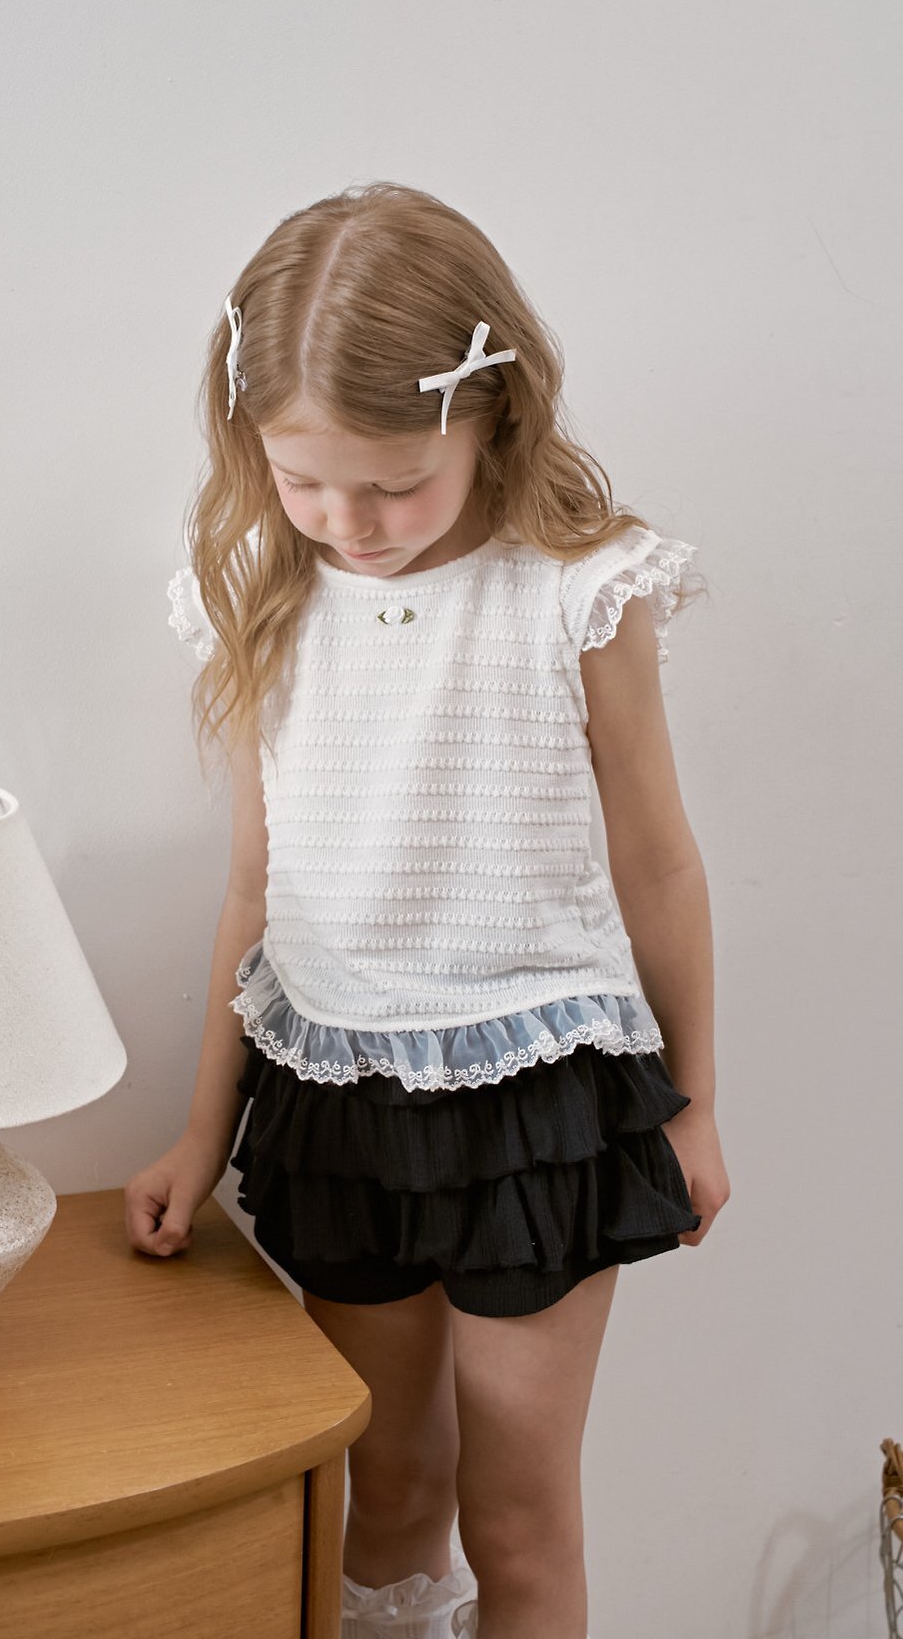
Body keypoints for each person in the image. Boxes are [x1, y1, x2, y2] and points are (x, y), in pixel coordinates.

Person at [124, 181, 730, 1639]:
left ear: (489, 414)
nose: (350, 524)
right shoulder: (260, 595)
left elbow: (658, 865)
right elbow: (258, 888)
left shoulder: (577, 592)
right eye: (303, 481)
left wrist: (697, 1106)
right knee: (382, 1493)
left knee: (517, 1519)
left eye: (394, 484)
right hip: (337, 1096)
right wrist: (203, 1133)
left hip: (543, 1104)